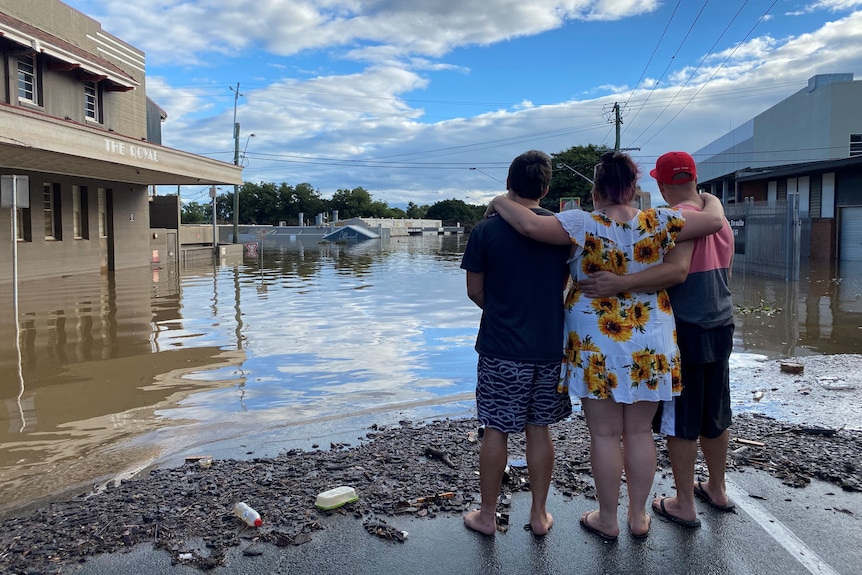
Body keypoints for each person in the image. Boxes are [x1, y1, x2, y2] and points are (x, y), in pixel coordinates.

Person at [486, 151, 725, 542]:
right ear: (635, 188)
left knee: (604, 434)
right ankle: (638, 518)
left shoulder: (581, 223)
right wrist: (710, 196)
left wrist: (499, 200)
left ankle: (608, 519)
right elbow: (714, 220)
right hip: (652, 340)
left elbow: (528, 226)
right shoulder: (661, 221)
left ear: (595, 190)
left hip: (597, 341)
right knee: (640, 433)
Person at [582, 151, 735, 528]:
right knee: (715, 414)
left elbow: (676, 272)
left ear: (663, 185)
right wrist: (712, 198)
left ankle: (684, 502)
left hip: (687, 330)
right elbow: (713, 222)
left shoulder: (676, 219)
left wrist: (619, 284)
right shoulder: (718, 218)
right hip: (722, 323)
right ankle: (716, 488)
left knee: (680, 422)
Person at [460, 150, 573, 536]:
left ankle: (487, 516)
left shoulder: (485, 230)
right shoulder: (561, 231)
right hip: (548, 346)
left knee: (496, 429)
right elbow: (562, 285)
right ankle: (539, 515)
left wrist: (502, 310)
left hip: (500, 347)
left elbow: (474, 289)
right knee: (539, 428)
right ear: (545, 188)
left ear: (508, 184)